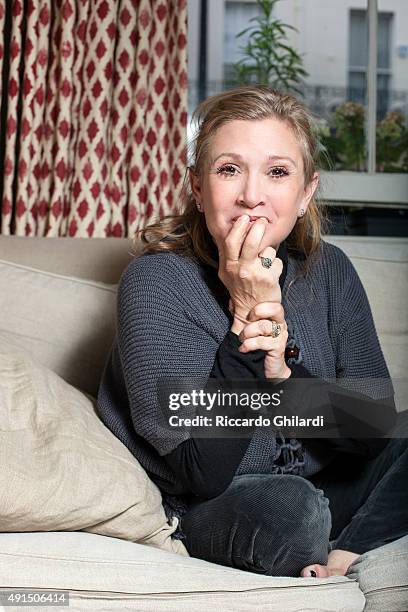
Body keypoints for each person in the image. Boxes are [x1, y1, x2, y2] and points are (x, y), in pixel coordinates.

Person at [97, 85, 407, 579]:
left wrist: (284, 376)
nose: (252, 195)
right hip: (218, 501)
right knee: (294, 508)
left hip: (328, 486)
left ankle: (345, 552)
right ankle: (327, 541)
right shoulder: (155, 282)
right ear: (198, 188)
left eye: (278, 172)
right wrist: (248, 314)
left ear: (306, 193)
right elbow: (202, 472)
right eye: (229, 169)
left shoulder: (330, 271)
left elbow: (372, 429)